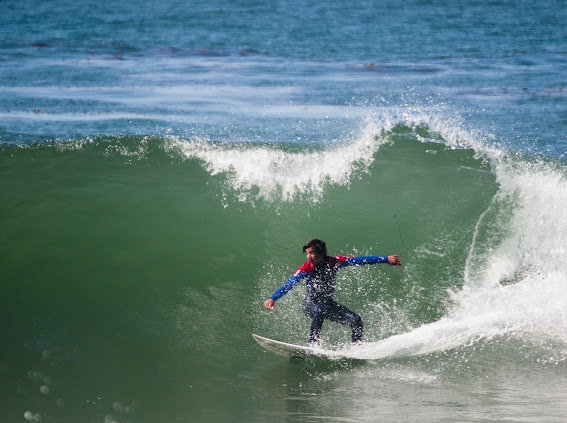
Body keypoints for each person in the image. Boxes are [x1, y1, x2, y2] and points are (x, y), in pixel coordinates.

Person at [263, 239, 401, 345]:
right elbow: (289, 283)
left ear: (321, 254)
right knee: (320, 310)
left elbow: (359, 260)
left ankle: (357, 348)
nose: (308, 257)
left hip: (327, 304)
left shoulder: (334, 262)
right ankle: (313, 345)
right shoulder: (306, 268)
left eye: (311, 253)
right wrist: (272, 298)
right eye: (307, 253)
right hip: (310, 304)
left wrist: (385, 259)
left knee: (356, 320)